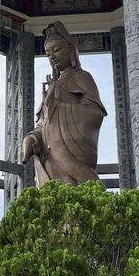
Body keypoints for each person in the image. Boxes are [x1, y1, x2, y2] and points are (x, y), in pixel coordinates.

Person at [22, 21, 106, 186]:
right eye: (47, 53)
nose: (52, 57)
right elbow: (44, 124)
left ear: (71, 50)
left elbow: (95, 114)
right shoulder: (52, 86)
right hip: (51, 161)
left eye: (56, 50)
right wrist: (33, 138)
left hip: (72, 156)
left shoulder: (83, 77)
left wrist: (57, 105)